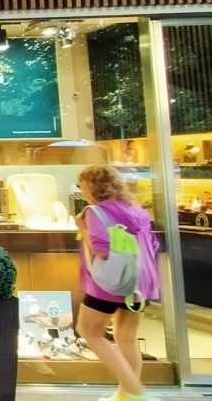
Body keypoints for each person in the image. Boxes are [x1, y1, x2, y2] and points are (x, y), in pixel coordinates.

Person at [74, 165, 162, 401]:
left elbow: (102, 250)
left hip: (109, 284)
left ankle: (138, 393)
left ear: (92, 186)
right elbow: (153, 244)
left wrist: (82, 229)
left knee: (89, 331)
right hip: (140, 282)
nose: (81, 191)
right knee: (127, 338)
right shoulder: (136, 210)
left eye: (82, 186)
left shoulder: (96, 212)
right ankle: (125, 396)